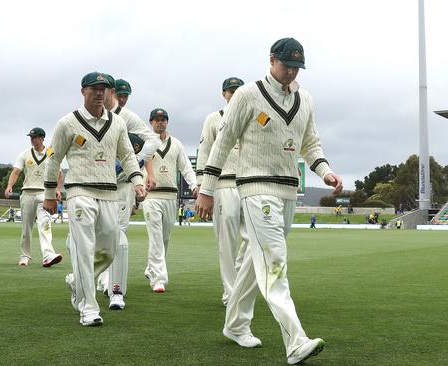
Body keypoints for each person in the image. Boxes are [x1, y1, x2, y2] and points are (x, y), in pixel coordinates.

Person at [195, 38, 342, 364]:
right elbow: (222, 143)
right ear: (271, 60)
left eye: (296, 67)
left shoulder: (305, 99)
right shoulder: (247, 95)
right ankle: (295, 340)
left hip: (288, 190)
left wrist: (326, 172)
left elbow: (311, 143)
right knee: (275, 259)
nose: (290, 72)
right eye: (286, 65)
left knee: (253, 260)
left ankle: (235, 324)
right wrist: (206, 188)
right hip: (255, 188)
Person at [42, 71, 145, 327]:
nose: (100, 93)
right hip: (80, 192)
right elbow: (53, 159)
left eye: (104, 88)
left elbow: (128, 155)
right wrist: (49, 195)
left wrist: (138, 181)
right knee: (84, 249)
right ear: (83, 91)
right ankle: (88, 308)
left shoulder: (118, 123)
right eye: (94, 88)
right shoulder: (67, 123)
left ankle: (77, 281)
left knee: (109, 249)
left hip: (109, 193)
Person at [97, 73, 160, 311]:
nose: (120, 99)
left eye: (108, 91)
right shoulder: (91, 116)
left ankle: (114, 287)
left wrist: (136, 161)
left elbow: (152, 140)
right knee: (99, 235)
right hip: (97, 184)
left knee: (118, 233)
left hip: (122, 185)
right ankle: (101, 277)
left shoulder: (128, 118)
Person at [196, 76, 248, 307]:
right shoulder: (212, 119)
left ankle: (238, 281)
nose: (234, 94)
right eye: (230, 91)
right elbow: (205, 151)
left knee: (252, 240)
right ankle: (230, 292)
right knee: (226, 242)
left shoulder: (253, 117)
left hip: (249, 185)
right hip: (223, 184)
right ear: (224, 94)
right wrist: (202, 186)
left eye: (238, 90)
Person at [143, 108, 198, 293]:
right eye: (156, 120)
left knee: (165, 238)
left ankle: (152, 269)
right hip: (152, 196)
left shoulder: (176, 144)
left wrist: (194, 185)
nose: (160, 122)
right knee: (156, 237)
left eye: (163, 119)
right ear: (151, 122)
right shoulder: (145, 142)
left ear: (167, 122)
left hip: (170, 196)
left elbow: (186, 167)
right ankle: (159, 279)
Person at [4, 127, 63, 267]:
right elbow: (16, 172)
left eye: (34, 137)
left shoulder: (51, 152)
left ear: (42, 138)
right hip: (27, 193)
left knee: (45, 224)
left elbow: (59, 173)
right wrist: (9, 186)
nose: (32, 139)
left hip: (44, 194)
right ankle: (25, 256)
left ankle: (48, 255)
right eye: (31, 137)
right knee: (26, 228)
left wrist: (57, 189)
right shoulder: (24, 154)